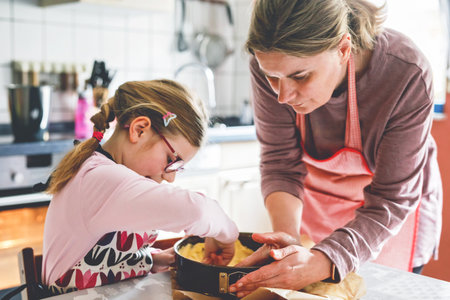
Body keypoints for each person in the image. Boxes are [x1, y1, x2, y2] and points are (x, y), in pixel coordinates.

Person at [229, 0, 443, 298]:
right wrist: (288, 241)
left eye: (301, 76)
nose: (283, 96)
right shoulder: (271, 64)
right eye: (272, 78)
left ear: (343, 49)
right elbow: (280, 164)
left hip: (390, 219)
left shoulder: (405, 72)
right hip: (319, 208)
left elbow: (392, 199)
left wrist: (324, 259)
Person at [41, 80, 238, 294]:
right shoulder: (102, 179)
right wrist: (226, 237)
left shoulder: (103, 170)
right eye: (172, 161)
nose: (170, 178)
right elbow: (198, 211)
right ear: (139, 130)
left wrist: (153, 259)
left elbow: (103, 255)